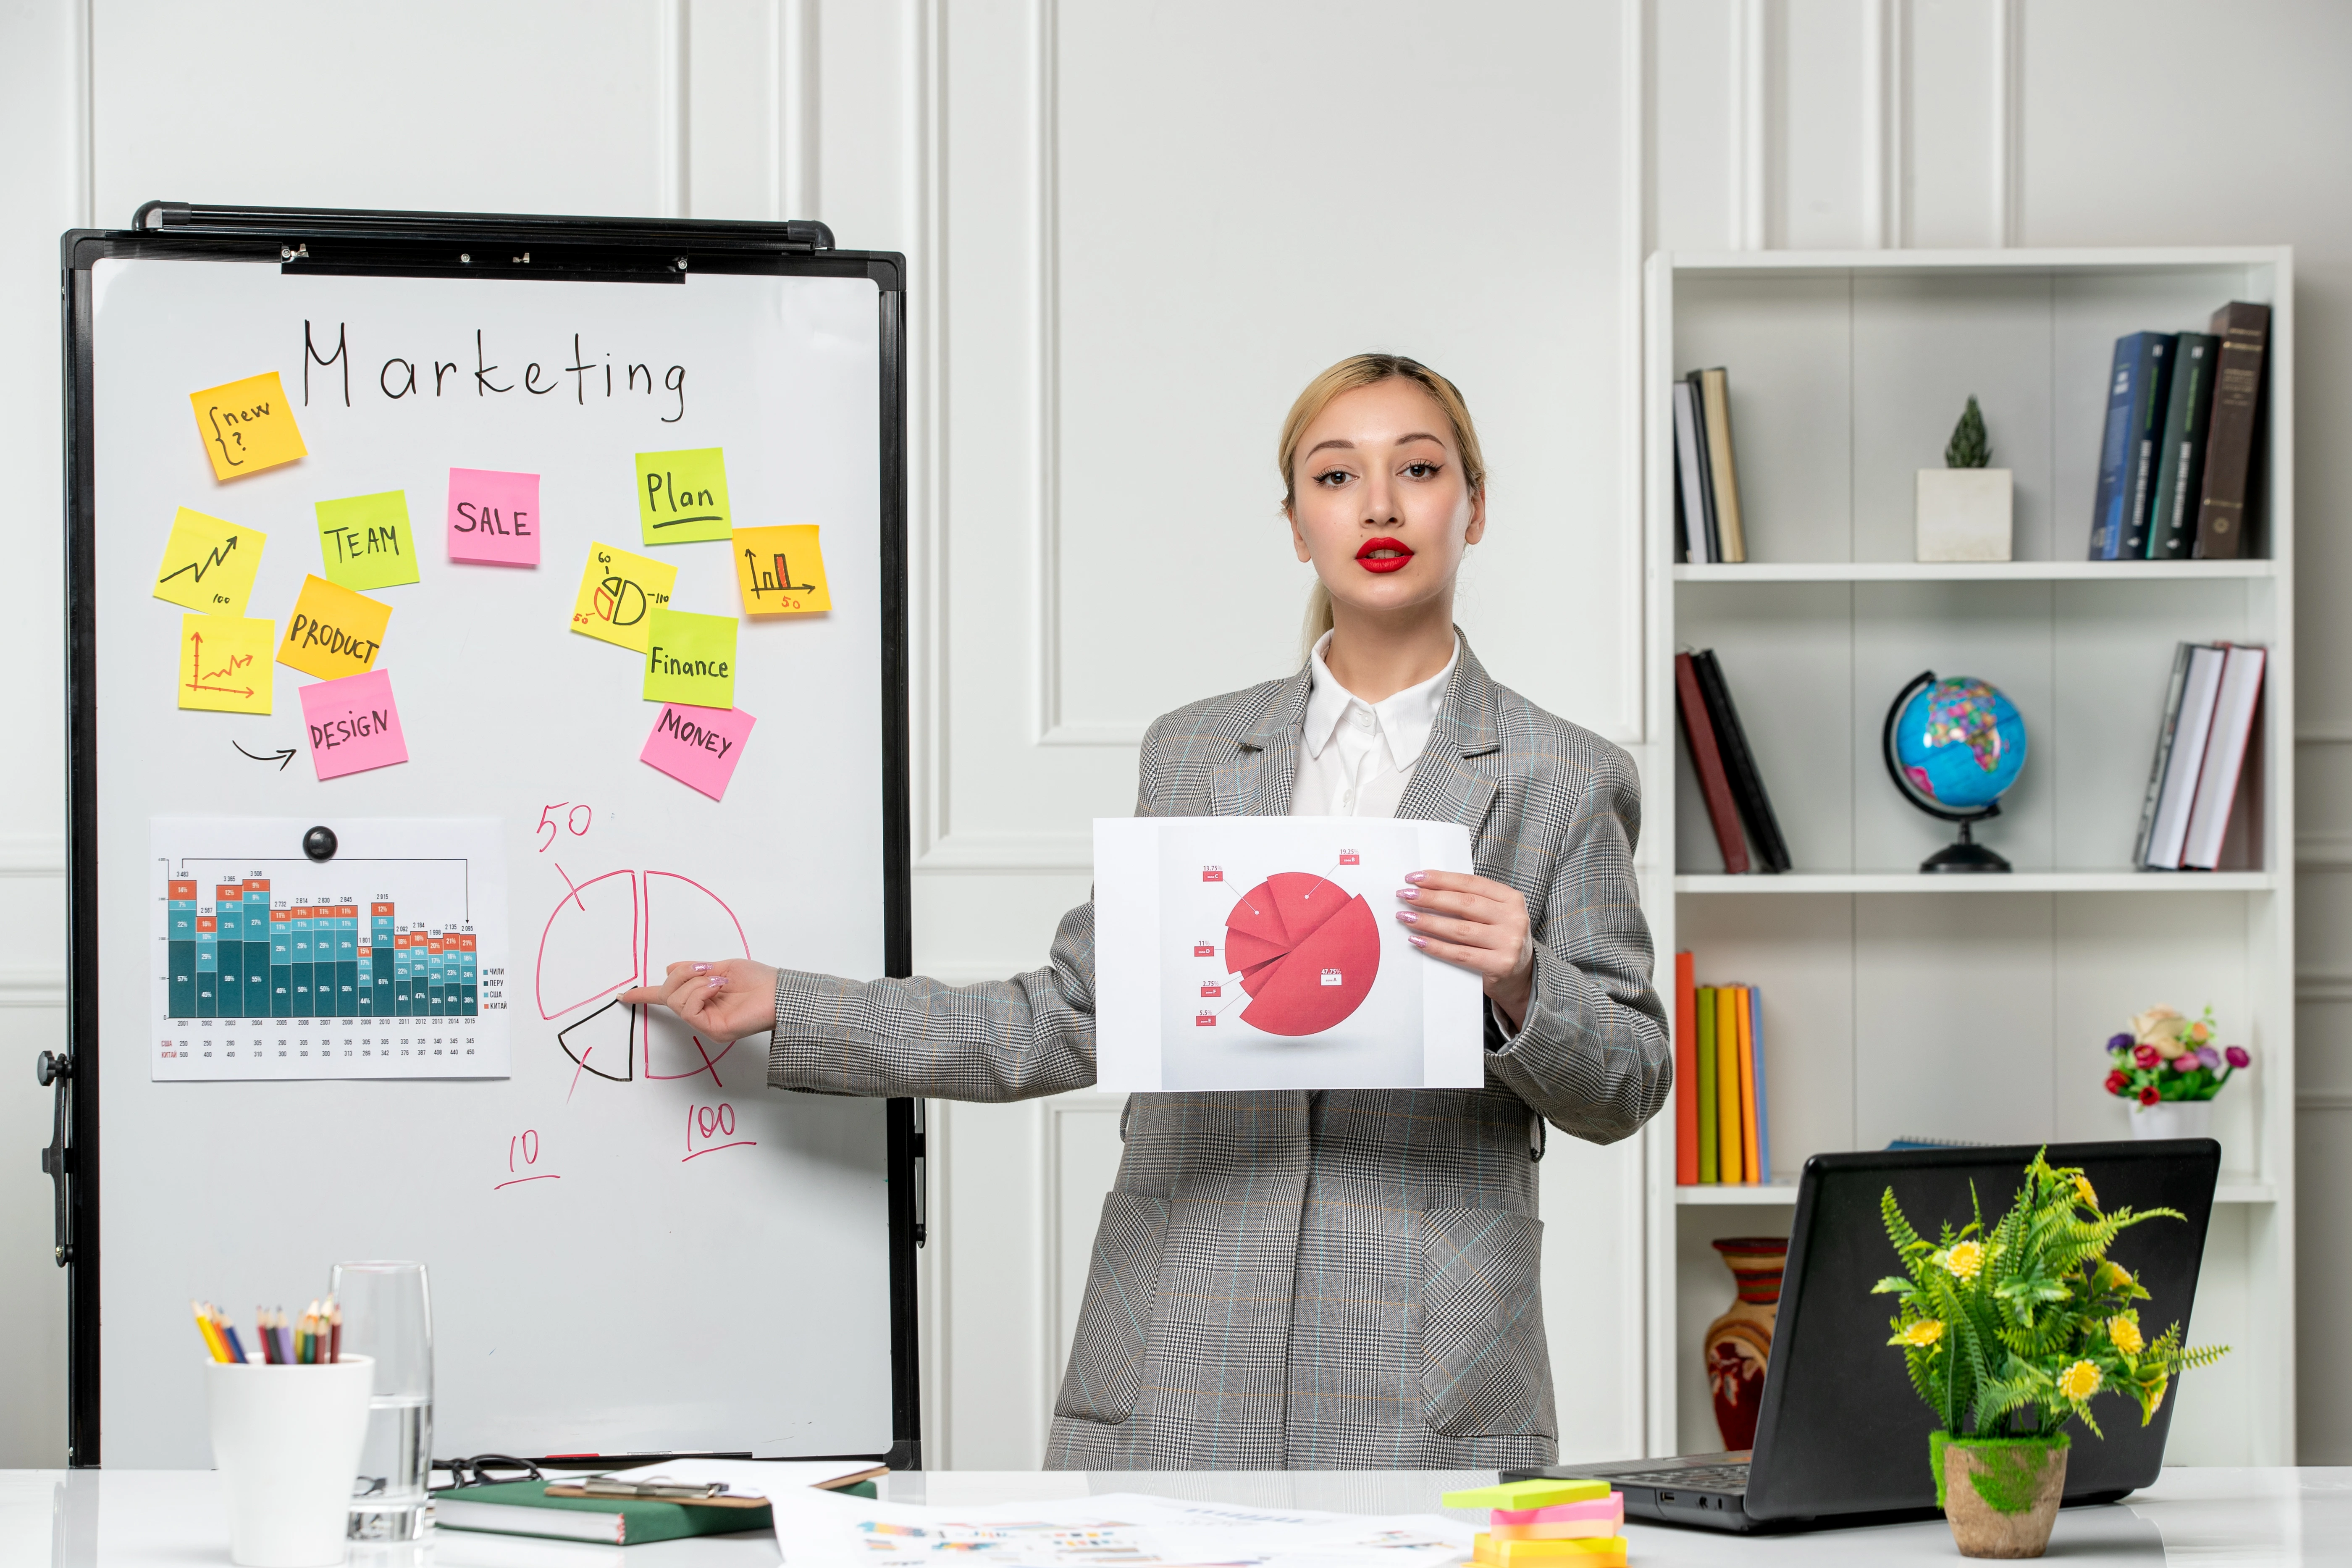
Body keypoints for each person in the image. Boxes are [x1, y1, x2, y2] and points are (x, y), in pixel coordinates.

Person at [623, 352, 1670, 1469]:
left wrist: (1524, 982)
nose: (1378, 505)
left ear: (1473, 506)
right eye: (1334, 476)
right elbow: (1068, 1015)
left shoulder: (1563, 774)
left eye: (1418, 469)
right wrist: (792, 1004)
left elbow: (1627, 1081)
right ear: (1294, 519)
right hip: (1181, 1339)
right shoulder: (1195, 754)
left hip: (1424, 1369)